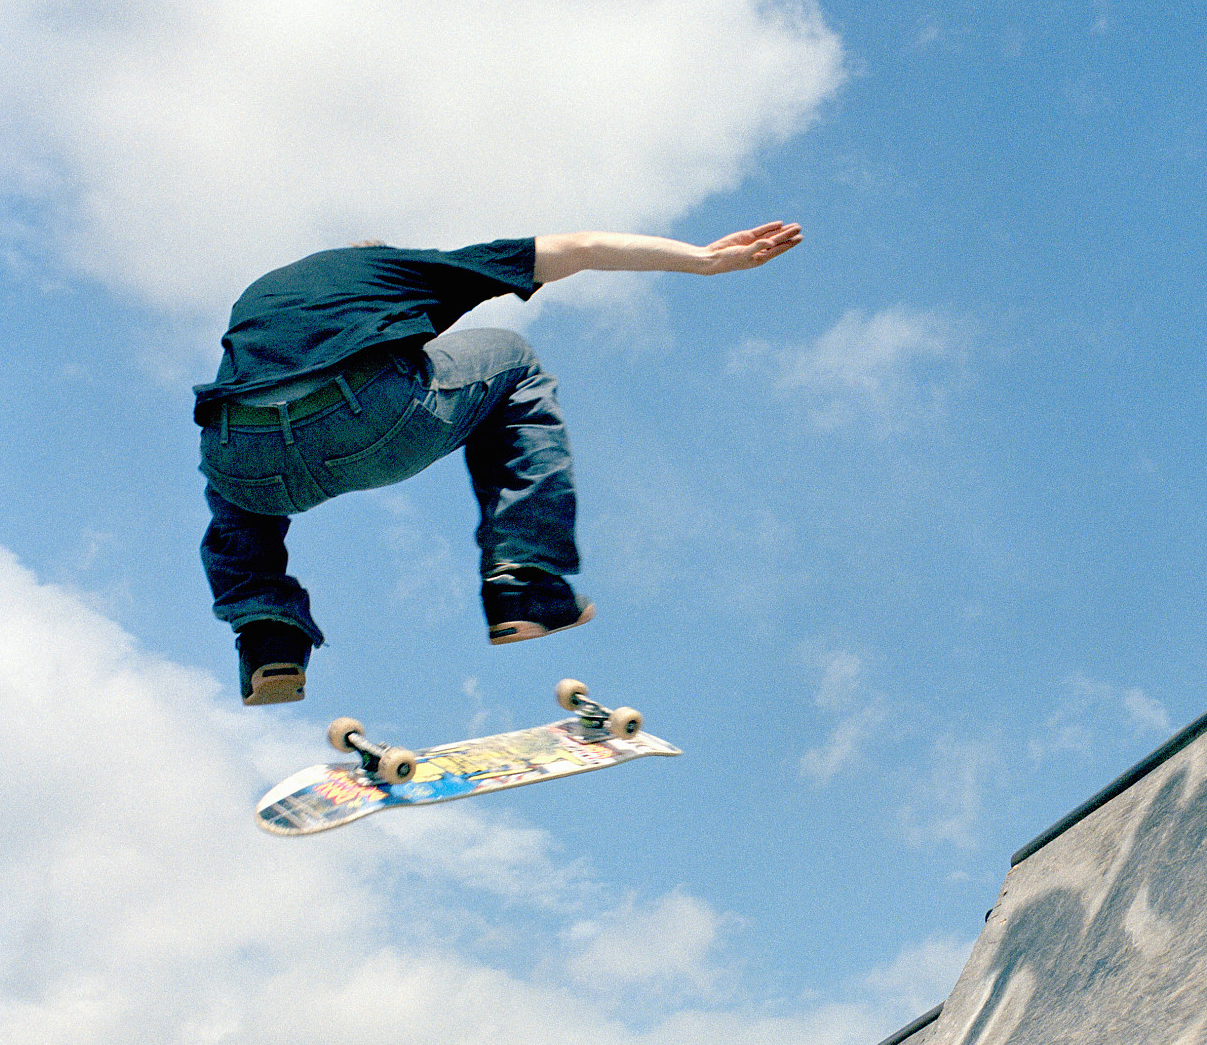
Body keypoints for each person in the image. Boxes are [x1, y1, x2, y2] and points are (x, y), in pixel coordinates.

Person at [194, 222, 802, 704]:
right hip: (367, 415)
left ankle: (268, 635)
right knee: (512, 356)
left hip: (243, 452)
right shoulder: (397, 269)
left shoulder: (264, 293)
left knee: (230, 476)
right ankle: (525, 582)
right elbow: (579, 247)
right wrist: (702, 258)